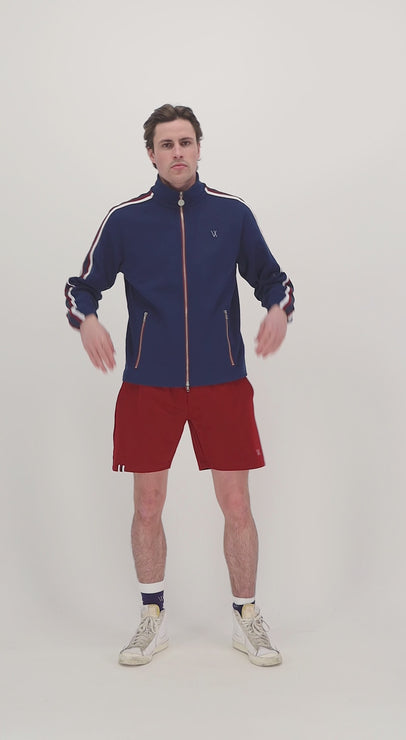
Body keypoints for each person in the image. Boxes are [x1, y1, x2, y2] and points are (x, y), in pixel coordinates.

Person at [65, 104, 294, 668]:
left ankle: (247, 617)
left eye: (185, 142)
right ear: (151, 154)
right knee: (148, 504)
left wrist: (278, 310)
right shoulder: (126, 219)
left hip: (223, 380)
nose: (177, 153)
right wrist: (87, 320)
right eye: (166, 144)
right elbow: (81, 286)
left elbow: (274, 279)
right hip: (150, 383)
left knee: (236, 504)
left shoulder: (232, 214)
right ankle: (152, 618)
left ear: (198, 148)